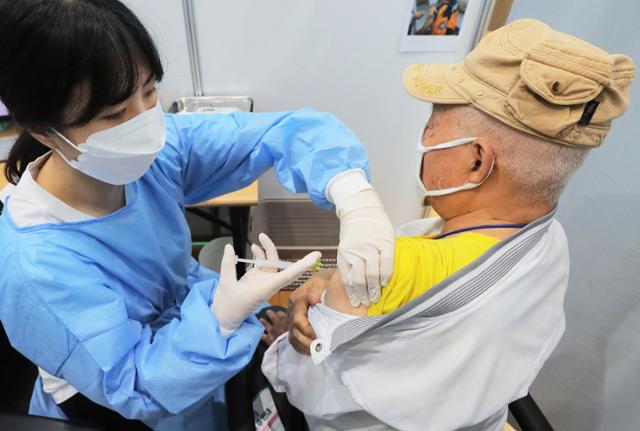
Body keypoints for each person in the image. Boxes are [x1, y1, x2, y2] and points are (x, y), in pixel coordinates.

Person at [0, 0, 395, 429]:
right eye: (115, 114)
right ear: (43, 131)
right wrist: (220, 320)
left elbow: (287, 131)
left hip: (189, 347)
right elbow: (137, 385)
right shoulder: (35, 266)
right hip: (117, 400)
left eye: (150, 91)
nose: (144, 122)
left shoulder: (158, 152)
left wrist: (354, 196)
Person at [268, 19, 635, 430]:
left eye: (432, 124)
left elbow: (303, 385)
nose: (424, 139)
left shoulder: (384, 270)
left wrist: (289, 334)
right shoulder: (550, 241)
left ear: (477, 161)